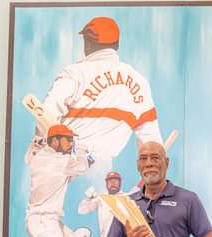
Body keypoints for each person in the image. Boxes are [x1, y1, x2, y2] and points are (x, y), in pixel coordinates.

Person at [39, 17, 163, 177]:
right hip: (101, 171)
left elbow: (46, 115)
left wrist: (39, 150)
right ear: (117, 45)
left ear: (87, 43)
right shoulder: (140, 82)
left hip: (62, 164)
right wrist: (154, 172)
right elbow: (150, 138)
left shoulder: (75, 74)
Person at [22, 124, 92, 237]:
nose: (71, 143)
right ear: (54, 141)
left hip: (50, 220)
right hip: (43, 220)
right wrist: (84, 149)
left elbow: (31, 152)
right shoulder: (61, 162)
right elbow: (86, 163)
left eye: (71, 139)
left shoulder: (37, 157)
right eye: (67, 139)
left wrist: (39, 139)